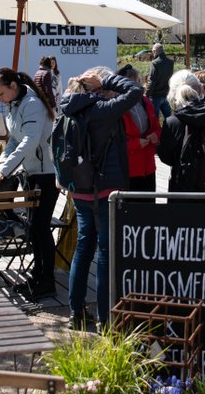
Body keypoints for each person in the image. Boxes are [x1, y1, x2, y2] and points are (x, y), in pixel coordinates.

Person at [60, 68, 143, 331]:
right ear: (96, 86)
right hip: (106, 189)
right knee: (106, 252)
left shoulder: (66, 108)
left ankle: (76, 312)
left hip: (79, 189)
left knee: (84, 248)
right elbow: (135, 91)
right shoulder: (102, 110)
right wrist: (108, 80)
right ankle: (104, 317)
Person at [0, 67, 58, 299]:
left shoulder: (32, 104)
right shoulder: (15, 105)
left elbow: (30, 141)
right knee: (34, 229)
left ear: (13, 87)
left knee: (41, 228)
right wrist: (2, 166)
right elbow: (14, 141)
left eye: (0, 93)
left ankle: (47, 281)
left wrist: (6, 170)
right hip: (30, 172)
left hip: (45, 174)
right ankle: (37, 276)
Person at [157, 70, 205, 193]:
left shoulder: (172, 122)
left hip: (183, 191)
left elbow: (166, 157)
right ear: (200, 89)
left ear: (173, 94)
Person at [117, 64, 161, 192]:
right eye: (130, 83)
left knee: (148, 207)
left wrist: (155, 135)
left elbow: (157, 127)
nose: (134, 87)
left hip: (148, 166)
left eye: (136, 83)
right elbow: (114, 141)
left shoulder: (146, 102)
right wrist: (135, 144)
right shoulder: (116, 106)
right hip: (129, 168)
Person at [146, 43, 173, 120]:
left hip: (156, 95)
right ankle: (169, 131)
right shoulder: (170, 62)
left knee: (155, 120)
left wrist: (147, 95)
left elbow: (151, 80)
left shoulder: (155, 63)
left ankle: (159, 132)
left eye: (152, 51)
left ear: (155, 51)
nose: (152, 53)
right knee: (169, 118)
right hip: (166, 94)